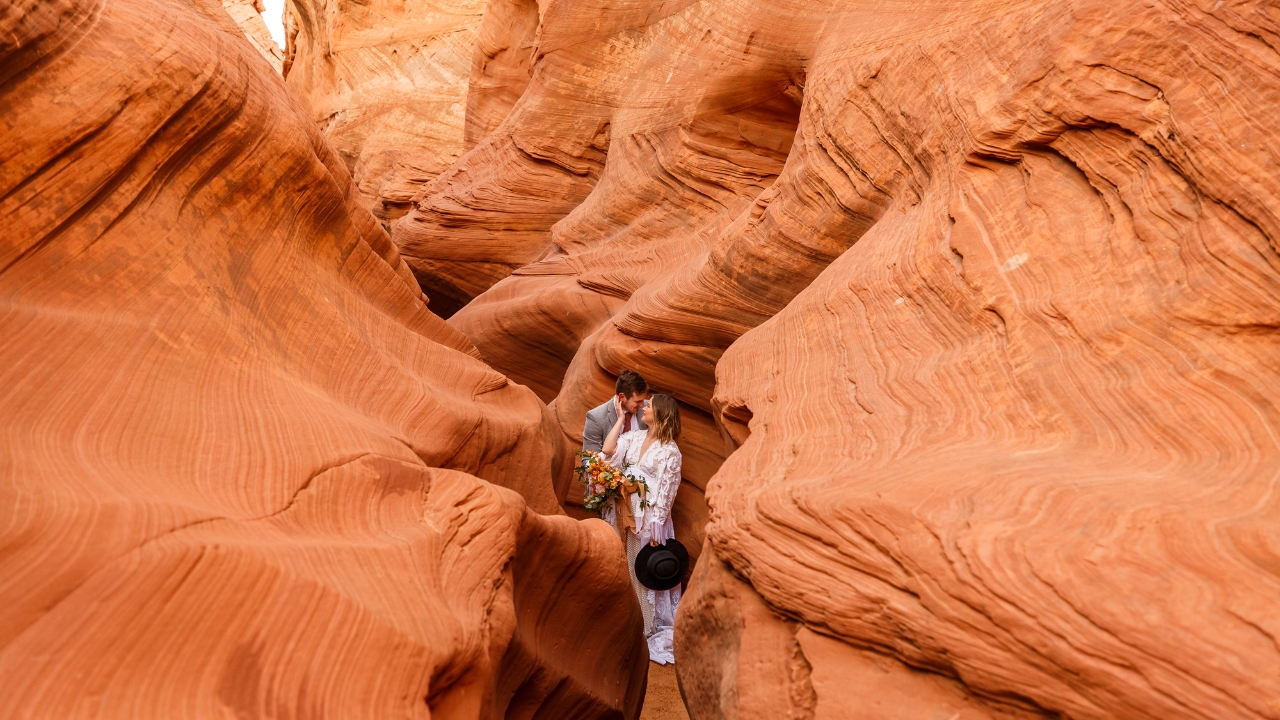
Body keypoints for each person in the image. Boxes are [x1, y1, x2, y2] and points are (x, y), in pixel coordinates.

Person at [602, 393, 682, 665]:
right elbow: (610, 451)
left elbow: (667, 493)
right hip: (626, 510)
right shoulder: (636, 437)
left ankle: (645, 625)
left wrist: (656, 531)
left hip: (649, 520)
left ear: (660, 413)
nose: (644, 408)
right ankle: (626, 617)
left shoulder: (670, 451)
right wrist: (622, 418)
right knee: (624, 564)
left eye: (648, 406)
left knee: (642, 569)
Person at [582, 370, 649, 453]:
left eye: (643, 400)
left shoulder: (650, 409)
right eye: (638, 401)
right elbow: (589, 459)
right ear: (621, 397)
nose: (642, 405)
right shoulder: (596, 417)